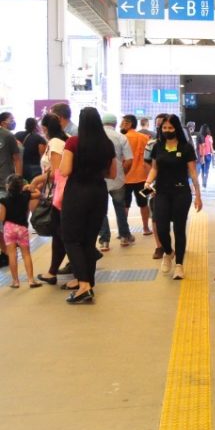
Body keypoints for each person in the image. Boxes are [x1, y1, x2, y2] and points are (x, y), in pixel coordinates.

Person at [60, 107, 117, 304]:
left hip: (77, 193)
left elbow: (65, 170)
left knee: (71, 239)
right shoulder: (106, 144)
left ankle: (83, 286)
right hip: (99, 193)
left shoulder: (73, 142)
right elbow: (112, 174)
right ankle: (88, 283)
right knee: (88, 241)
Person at [142, 114, 203, 280]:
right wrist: (148, 182)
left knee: (179, 229)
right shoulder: (158, 146)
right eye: (164, 128)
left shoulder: (186, 147)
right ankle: (168, 252)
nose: (167, 131)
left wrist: (198, 195)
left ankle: (179, 265)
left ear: (176, 128)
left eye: (170, 128)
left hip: (181, 192)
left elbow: (192, 172)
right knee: (161, 227)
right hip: (160, 192)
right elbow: (154, 168)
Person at [35, 113, 69, 286]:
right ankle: (52, 272)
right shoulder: (65, 139)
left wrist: (37, 180)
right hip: (62, 195)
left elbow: (56, 171)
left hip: (58, 196)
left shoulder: (55, 143)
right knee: (59, 234)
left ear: (45, 128)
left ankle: (84, 265)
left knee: (64, 235)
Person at [97, 112, 134, 251]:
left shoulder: (96, 137)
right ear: (114, 124)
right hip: (117, 178)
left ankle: (104, 240)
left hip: (100, 179)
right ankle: (124, 236)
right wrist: (122, 172)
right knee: (120, 208)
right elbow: (129, 160)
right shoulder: (120, 137)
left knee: (101, 210)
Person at [0, 175, 41, 287]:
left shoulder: (3, 200)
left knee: (12, 255)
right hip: (22, 228)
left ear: (7, 186)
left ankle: (15, 281)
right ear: (21, 187)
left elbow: (2, 218)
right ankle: (31, 280)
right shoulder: (25, 196)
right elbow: (38, 194)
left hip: (9, 228)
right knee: (26, 254)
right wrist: (30, 187)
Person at [120, 114, 153, 237]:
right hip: (143, 178)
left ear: (129, 124)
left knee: (125, 204)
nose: (121, 125)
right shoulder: (145, 137)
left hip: (125, 178)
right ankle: (145, 228)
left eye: (123, 123)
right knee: (144, 203)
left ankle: (123, 231)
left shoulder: (122, 138)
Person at [144, 113, 168, 260]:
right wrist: (151, 183)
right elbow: (146, 163)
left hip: (174, 186)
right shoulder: (151, 143)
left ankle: (176, 245)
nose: (161, 127)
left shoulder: (180, 143)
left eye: (164, 125)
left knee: (177, 218)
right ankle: (159, 246)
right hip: (156, 186)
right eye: (158, 124)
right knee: (155, 217)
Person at [0, 111, 22, 269]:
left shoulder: (7, 136)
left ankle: (8, 252)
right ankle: (5, 252)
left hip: (5, 184)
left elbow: (16, 158)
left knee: (5, 222)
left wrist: (18, 180)